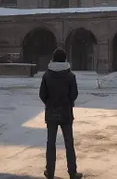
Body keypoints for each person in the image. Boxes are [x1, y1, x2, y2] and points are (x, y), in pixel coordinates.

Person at [39, 48, 83, 179]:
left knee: (51, 143)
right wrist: (67, 102)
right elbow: (74, 94)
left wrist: (50, 103)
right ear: (65, 59)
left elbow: (42, 94)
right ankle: (72, 172)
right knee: (69, 143)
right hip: (66, 113)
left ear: (53, 59)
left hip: (51, 113)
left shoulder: (47, 75)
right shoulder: (70, 76)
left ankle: (50, 172)